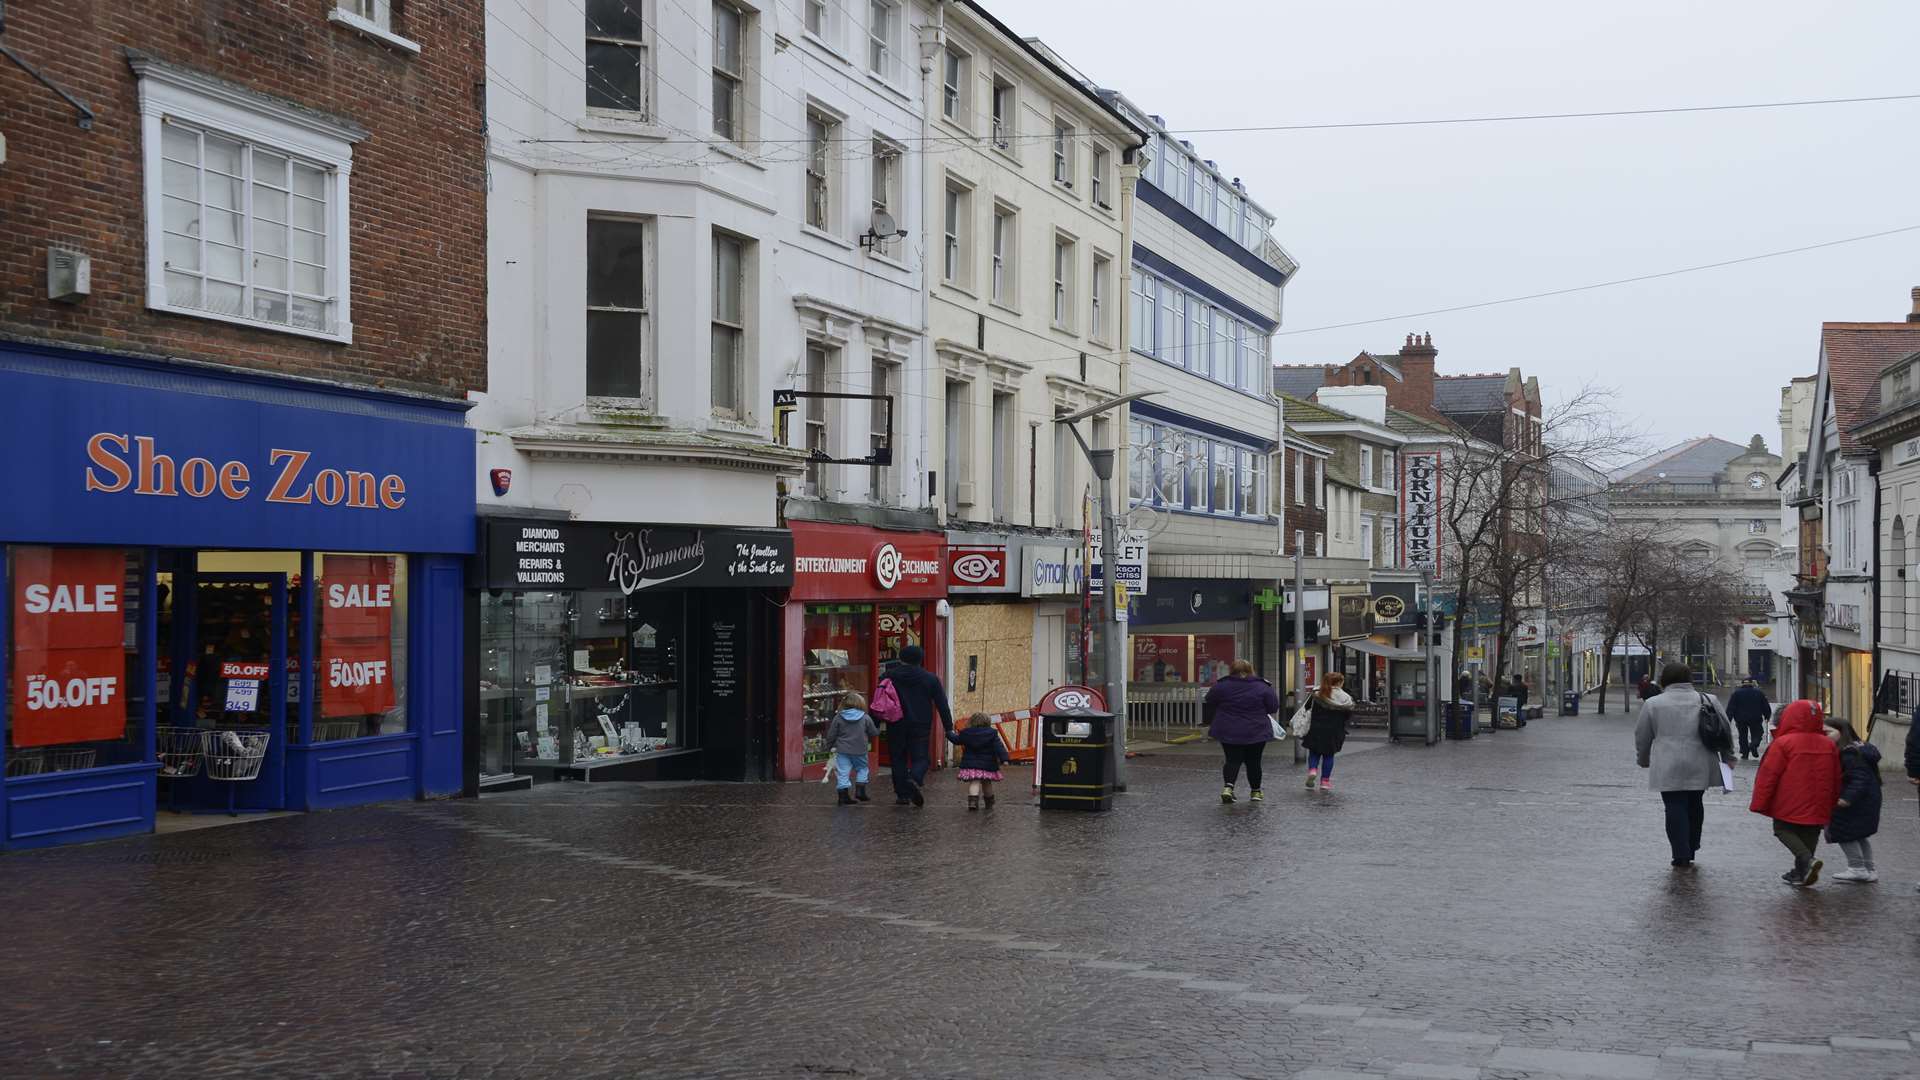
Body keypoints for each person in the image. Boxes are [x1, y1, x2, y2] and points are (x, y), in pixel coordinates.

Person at [1634, 662, 1735, 869]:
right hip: (1700, 761)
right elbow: (1724, 728)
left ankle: (1680, 852)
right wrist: (1727, 756)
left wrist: (1643, 759)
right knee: (1695, 803)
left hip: (1667, 762)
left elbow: (1642, 735)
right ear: (1690, 678)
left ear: (1665, 679)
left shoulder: (1653, 703)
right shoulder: (1708, 699)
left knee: (1673, 805)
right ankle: (1692, 845)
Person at [1749, 699, 1842, 887]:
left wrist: (1760, 801)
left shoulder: (1784, 743)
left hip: (1790, 797)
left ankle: (1807, 861)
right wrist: (1833, 799)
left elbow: (1769, 775)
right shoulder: (1827, 744)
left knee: (1783, 829)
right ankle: (1802, 872)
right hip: (1819, 798)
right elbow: (1836, 775)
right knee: (1811, 832)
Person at [877, 644, 953, 808]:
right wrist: (949, 728)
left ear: (901, 658)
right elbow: (942, 705)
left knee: (898, 758)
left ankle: (902, 795)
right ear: (920, 659)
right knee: (921, 758)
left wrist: (875, 725)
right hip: (920, 724)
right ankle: (914, 778)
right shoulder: (930, 679)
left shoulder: (888, 676)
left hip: (895, 723)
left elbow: (879, 700)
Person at [1203, 658, 1281, 804]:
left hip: (1229, 730)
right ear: (1251, 670)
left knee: (1232, 760)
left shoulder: (1222, 685)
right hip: (1256, 731)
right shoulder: (1263, 686)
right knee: (1254, 762)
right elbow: (1273, 707)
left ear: (1231, 670)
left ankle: (1228, 788)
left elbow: (1209, 699)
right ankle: (1256, 792)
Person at [1824, 716, 1883, 883]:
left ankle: (1856, 868)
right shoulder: (1860, 748)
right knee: (1859, 835)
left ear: (1841, 732)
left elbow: (1859, 778)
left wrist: (1846, 798)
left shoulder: (1848, 753)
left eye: (1827, 732)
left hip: (1855, 801)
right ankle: (1869, 869)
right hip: (1866, 799)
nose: (1824, 736)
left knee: (1845, 833)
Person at [821, 691, 879, 806]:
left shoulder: (838, 717)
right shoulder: (865, 717)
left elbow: (831, 734)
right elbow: (873, 732)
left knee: (843, 772)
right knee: (862, 768)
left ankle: (843, 797)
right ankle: (860, 791)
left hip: (842, 750)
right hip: (860, 750)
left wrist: (829, 746)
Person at [1301, 673, 1355, 792]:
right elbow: (1348, 714)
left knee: (1314, 752)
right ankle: (1325, 781)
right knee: (1329, 755)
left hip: (1316, 727)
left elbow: (1307, 707)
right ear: (1339, 683)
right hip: (1335, 730)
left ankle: (1313, 770)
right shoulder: (1345, 697)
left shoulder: (1317, 693)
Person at [947, 712, 1010, 811]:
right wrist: (1005, 759)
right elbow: (999, 747)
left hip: (971, 764)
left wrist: (948, 733)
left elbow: (956, 740)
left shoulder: (966, 733)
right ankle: (989, 803)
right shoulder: (992, 734)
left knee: (974, 782)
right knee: (987, 783)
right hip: (987, 765)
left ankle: (972, 802)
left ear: (971, 722)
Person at [1724, 679, 1773, 761]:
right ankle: (1754, 745)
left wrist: (1728, 719)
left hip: (1740, 719)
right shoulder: (1759, 693)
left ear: (1742, 684)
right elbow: (1765, 705)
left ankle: (1745, 753)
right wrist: (1767, 715)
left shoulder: (1736, 693)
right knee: (1758, 733)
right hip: (1755, 718)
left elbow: (1731, 708)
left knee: (1742, 736)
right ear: (1752, 684)